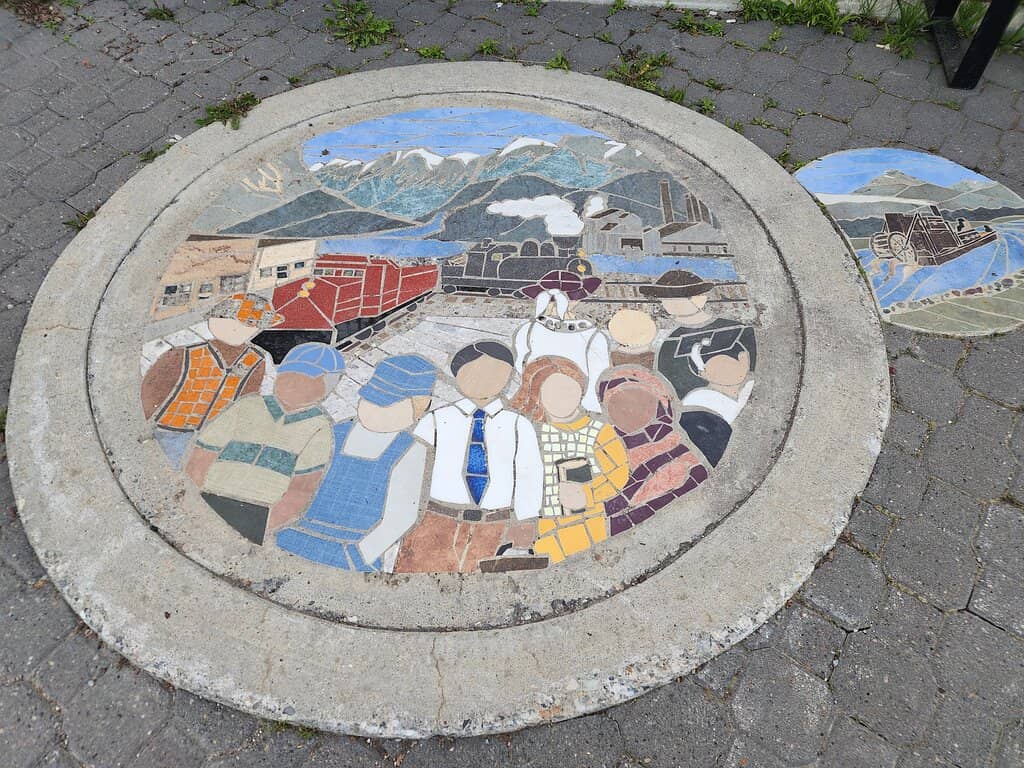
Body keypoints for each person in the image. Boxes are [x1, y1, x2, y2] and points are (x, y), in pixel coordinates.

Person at [394, 341, 545, 574]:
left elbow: (529, 476)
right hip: (437, 520)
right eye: (474, 372)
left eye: (496, 372)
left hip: (495, 526)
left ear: (508, 376)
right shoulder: (434, 421)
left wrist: (524, 528)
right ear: (457, 376)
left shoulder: (517, 424)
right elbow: (410, 471)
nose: (485, 379)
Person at [275, 355, 437, 572]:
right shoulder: (334, 433)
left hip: (352, 551)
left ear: (419, 408)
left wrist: (359, 554)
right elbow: (297, 481)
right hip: (297, 534)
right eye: (370, 400)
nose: (375, 410)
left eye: (388, 405)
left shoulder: (412, 450)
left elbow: (400, 516)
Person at [184, 342, 345, 546]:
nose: (292, 383)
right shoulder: (247, 407)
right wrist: (195, 500)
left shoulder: (318, 427)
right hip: (208, 496)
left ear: (326, 388)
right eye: (288, 373)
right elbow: (201, 457)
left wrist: (262, 526)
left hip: (259, 514)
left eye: (306, 378)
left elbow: (301, 489)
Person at [509, 356, 630, 565]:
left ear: (581, 391)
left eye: (569, 389)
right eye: (551, 393)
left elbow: (619, 473)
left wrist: (589, 494)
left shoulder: (599, 430)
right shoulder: (533, 432)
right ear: (538, 396)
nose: (562, 399)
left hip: (589, 519)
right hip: (545, 521)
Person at [142, 293, 282, 467]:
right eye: (230, 320)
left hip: (216, 438)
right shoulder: (184, 353)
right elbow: (152, 392)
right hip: (173, 430)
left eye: (249, 325)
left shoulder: (256, 359)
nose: (237, 329)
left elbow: (249, 398)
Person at [597, 366, 709, 535]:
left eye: (636, 398)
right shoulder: (613, 453)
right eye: (614, 403)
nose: (628, 409)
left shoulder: (684, 459)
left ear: (660, 401)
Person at [639, 269, 756, 401]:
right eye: (665, 298)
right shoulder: (670, 341)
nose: (667, 303)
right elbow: (669, 383)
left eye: (677, 298)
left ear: (701, 298)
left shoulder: (740, 329)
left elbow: (752, 370)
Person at [513, 269, 610, 412]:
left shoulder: (527, 329)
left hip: (533, 406)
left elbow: (519, 372)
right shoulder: (594, 336)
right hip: (576, 408)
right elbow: (598, 380)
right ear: (577, 300)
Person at [676, 326, 756, 467]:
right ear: (703, 373)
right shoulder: (697, 400)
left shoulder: (749, 387)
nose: (736, 364)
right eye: (721, 364)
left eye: (739, 358)